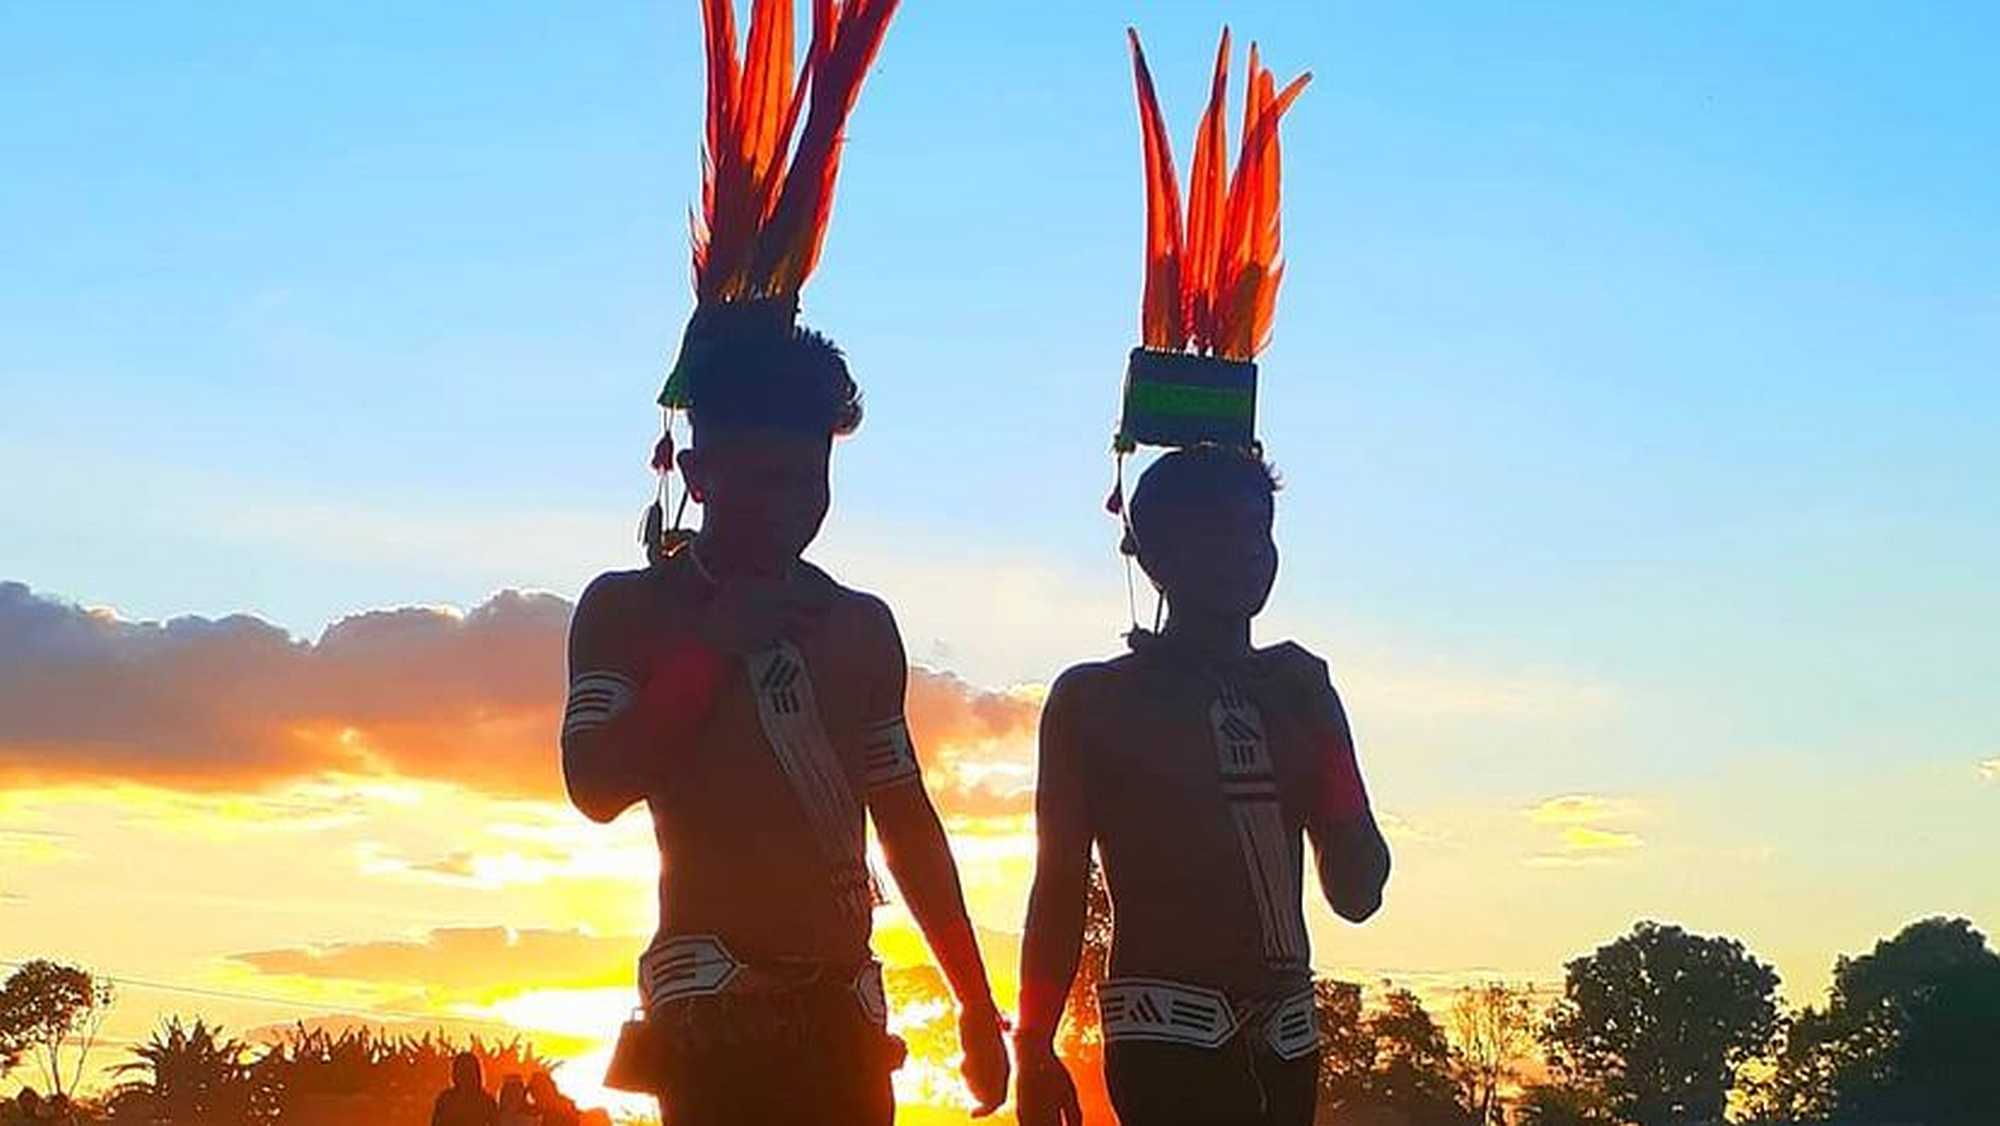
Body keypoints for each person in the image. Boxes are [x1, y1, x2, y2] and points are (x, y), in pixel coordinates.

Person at [563, 2, 1007, 1123]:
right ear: (697, 472)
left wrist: (973, 1000)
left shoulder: (857, 625)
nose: (783, 508)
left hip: (846, 1032)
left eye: (804, 482)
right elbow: (597, 784)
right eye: (754, 480)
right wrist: (703, 652)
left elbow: (905, 821)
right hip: (709, 1026)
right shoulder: (627, 611)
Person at [1016, 27, 1388, 1126]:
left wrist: (1322, 753)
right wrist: (1033, 1049)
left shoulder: (1300, 685)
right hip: (1158, 1033)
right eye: (1217, 539)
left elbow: (1356, 889)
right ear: (1152, 551)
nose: (1244, 561)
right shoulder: (1095, 701)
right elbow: (1055, 883)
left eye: (1257, 537)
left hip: (1286, 1033)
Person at [431, 1051, 499, 1126]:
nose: (465, 1076)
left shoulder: (446, 1099)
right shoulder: (486, 1101)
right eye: (463, 1071)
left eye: (467, 1071)